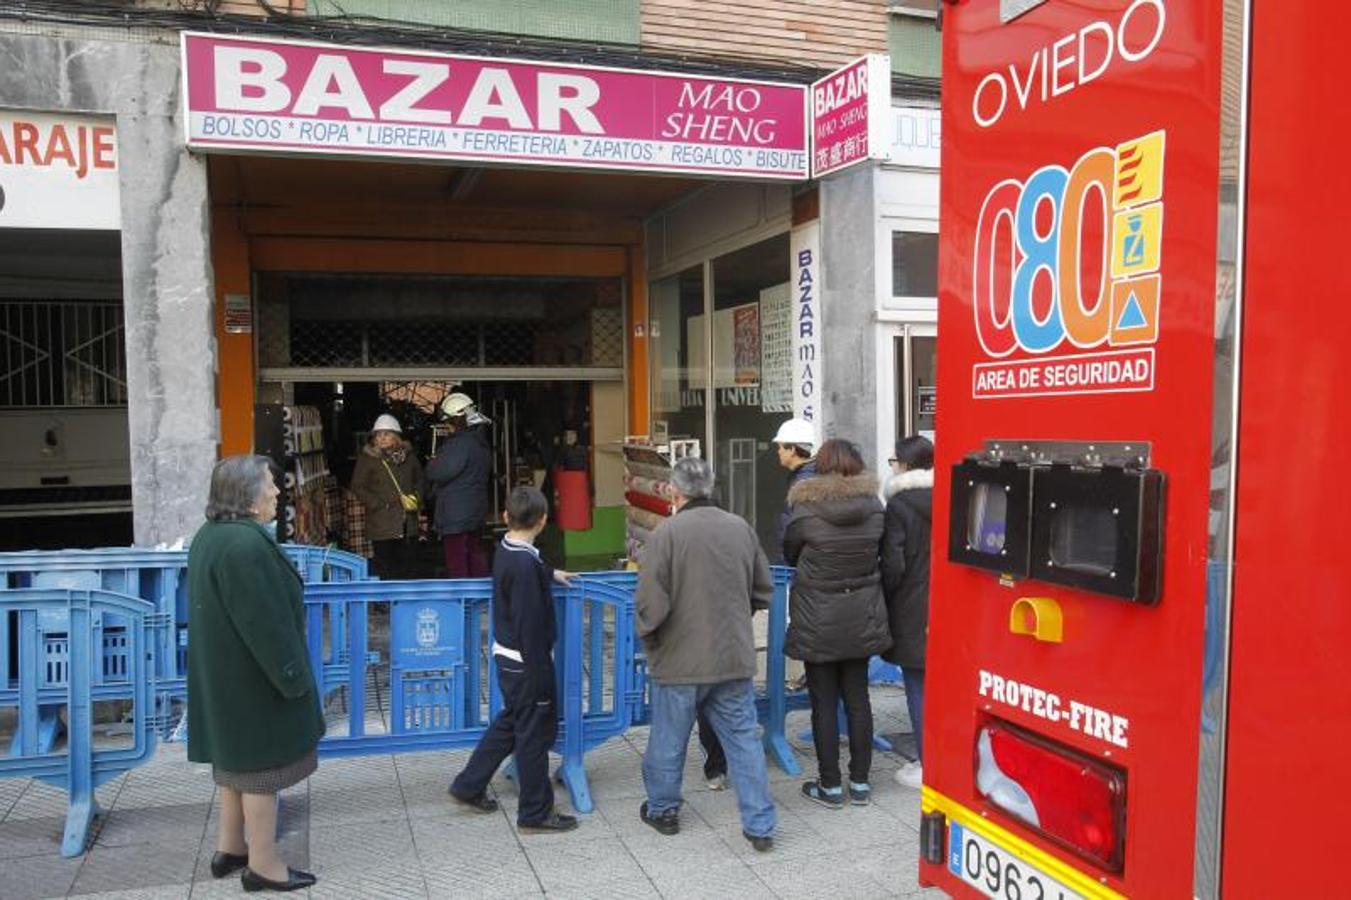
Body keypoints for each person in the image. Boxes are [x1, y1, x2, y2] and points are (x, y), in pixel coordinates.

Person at [187, 455, 324, 893]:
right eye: (269, 483)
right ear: (246, 495)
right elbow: (264, 623)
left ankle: (230, 846)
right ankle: (263, 865)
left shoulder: (211, 536)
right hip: (252, 679)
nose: (277, 492)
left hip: (225, 675)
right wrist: (292, 677)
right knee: (261, 773)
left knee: (234, 766)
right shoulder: (244, 546)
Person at [635, 457, 777, 852]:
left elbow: (651, 603)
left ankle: (664, 811)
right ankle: (760, 825)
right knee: (744, 742)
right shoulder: (740, 528)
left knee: (668, 740)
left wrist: (651, 641)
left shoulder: (666, 534)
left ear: (675, 493)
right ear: (711, 488)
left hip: (680, 659)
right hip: (731, 656)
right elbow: (763, 589)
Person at [449, 486, 579, 832]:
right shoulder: (523, 564)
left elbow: (527, 564)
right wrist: (541, 677)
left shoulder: (507, 547)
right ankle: (535, 812)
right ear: (544, 521)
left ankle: (468, 784)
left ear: (506, 517)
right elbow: (530, 627)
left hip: (508, 657)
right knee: (533, 734)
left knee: (511, 722)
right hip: (527, 661)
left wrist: (551, 573)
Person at [783, 439, 891, 809]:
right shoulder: (875, 507)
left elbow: (790, 552)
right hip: (861, 612)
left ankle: (829, 785)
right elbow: (884, 553)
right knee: (858, 699)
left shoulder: (805, 507)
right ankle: (860, 782)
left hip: (818, 615)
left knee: (823, 702)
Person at [881, 436, 935, 791]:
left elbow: (894, 564)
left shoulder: (899, 506)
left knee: (917, 683)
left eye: (893, 460)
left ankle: (926, 760)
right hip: (947, 604)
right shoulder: (950, 496)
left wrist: (884, 596)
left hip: (912, 605)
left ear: (904, 464)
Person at [350, 413, 424, 580]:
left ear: (396, 436)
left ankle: (406, 603)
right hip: (381, 522)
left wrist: (417, 498)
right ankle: (386, 604)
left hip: (407, 522)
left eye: (387, 434)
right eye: (378, 434)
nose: (381, 438)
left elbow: (420, 479)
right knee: (385, 567)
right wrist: (377, 504)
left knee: (408, 565)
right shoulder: (367, 459)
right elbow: (358, 486)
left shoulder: (409, 457)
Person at [427, 391, 492, 578]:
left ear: (456, 420)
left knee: (457, 559)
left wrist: (432, 462)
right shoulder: (480, 443)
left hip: (456, 514)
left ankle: (463, 602)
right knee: (474, 553)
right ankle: (480, 600)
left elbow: (439, 472)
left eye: (448, 422)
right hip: (474, 510)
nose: (446, 427)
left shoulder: (459, 445)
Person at [772, 418, 818, 560]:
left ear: (792, 449)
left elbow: (795, 529)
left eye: (780, 447)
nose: (778, 452)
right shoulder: (804, 476)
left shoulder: (803, 483)